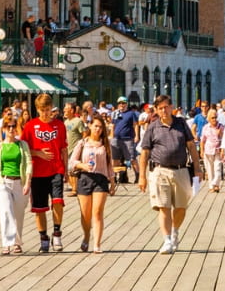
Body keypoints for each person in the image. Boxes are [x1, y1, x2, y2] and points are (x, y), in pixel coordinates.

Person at [138, 93, 203, 253]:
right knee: (163, 206)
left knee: (181, 207)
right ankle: (166, 240)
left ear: (172, 107)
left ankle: (174, 231)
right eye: (160, 108)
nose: (164, 111)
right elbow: (145, 153)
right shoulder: (153, 127)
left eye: (166, 107)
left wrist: (197, 168)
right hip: (159, 171)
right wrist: (141, 176)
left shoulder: (181, 124)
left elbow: (191, 146)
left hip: (180, 170)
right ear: (156, 110)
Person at [21, 92, 68, 254]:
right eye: (42, 110)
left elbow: (63, 149)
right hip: (37, 172)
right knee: (39, 208)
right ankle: (43, 238)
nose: (45, 113)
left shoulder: (59, 125)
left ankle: (57, 233)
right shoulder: (30, 126)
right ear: (37, 109)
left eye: (48, 109)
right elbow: (23, 149)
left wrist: (66, 170)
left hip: (56, 169)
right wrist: (38, 153)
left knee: (57, 201)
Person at [69, 113, 114, 252]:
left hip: (100, 179)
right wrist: (81, 165)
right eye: (95, 126)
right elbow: (71, 163)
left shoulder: (105, 144)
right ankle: (87, 235)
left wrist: (112, 181)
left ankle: (97, 244)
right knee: (85, 214)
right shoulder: (82, 143)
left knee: (98, 212)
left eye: (100, 127)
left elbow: (109, 165)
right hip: (84, 178)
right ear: (90, 126)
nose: (98, 129)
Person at [0, 116, 32, 253]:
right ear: (4, 129)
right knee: (6, 211)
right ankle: (6, 243)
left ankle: (17, 243)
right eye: (8, 127)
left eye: (13, 126)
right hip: (2, 183)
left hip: (19, 181)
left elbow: (29, 163)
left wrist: (28, 182)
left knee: (18, 214)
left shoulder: (22, 145)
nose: (11, 129)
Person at [111, 96, 140, 182]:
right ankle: (114, 177)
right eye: (120, 103)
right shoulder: (115, 113)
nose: (121, 105)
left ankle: (138, 177)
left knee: (132, 158)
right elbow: (113, 126)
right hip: (116, 139)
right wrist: (111, 137)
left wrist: (137, 136)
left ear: (126, 104)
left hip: (128, 139)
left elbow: (135, 125)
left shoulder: (131, 113)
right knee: (115, 159)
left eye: (123, 103)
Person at [201, 109, 225, 191]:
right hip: (208, 150)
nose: (214, 119)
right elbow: (203, 140)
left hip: (218, 150)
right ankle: (212, 187)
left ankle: (215, 183)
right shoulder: (206, 127)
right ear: (209, 119)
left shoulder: (221, 126)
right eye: (212, 118)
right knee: (210, 169)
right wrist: (201, 150)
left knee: (217, 168)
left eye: (215, 117)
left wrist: (220, 134)